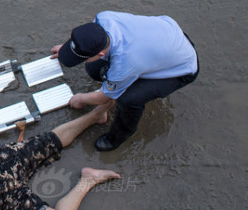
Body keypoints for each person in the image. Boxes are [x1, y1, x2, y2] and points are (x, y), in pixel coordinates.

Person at [51, 10, 199, 151]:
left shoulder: (125, 63)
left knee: (128, 99)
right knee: (94, 68)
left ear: (101, 53)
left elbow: (103, 98)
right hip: (165, 37)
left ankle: (118, 136)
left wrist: (80, 98)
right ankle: (126, 81)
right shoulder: (103, 19)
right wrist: (68, 49)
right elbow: (85, 36)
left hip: (182, 66)